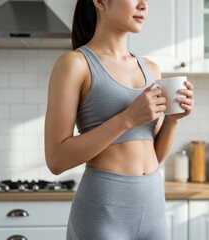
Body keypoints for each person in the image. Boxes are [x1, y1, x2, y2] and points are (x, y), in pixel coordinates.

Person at [44, 0, 194, 239]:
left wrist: (172, 120)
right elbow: (56, 160)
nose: (144, 5)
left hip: (154, 208)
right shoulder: (75, 64)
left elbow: (153, 156)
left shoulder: (151, 70)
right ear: (101, 2)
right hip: (103, 212)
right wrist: (127, 119)